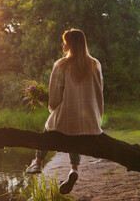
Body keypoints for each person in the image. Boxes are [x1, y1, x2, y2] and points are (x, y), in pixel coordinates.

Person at [25, 28, 104, 195]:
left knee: (50, 127)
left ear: (71, 44)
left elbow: (54, 96)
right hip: (91, 118)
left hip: (69, 118)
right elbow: (99, 91)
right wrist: (97, 116)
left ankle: (38, 161)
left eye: (65, 42)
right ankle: (74, 169)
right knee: (75, 132)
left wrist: (53, 109)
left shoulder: (61, 65)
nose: (62, 44)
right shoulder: (95, 64)